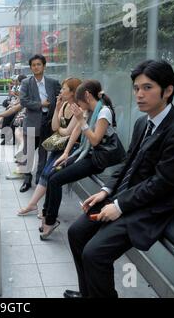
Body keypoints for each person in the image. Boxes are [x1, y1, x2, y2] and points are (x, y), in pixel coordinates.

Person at [65, 60, 174, 298]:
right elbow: (129, 163)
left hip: (152, 207)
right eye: (136, 88)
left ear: (168, 91)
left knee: (95, 253)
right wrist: (107, 191)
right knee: (76, 233)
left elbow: (162, 183)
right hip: (125, 197)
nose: (139, 94)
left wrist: (118, 205)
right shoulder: (143, 122)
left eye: (147, 88)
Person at [40, 80, 120, 240]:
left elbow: (95, 140)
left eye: (79, 102)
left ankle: (50, 221)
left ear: (87, 96)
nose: (78, 105)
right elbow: (77, 130)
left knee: (56, 180)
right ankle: (45, 214)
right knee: (51, 174)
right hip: (85, 154)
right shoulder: (90, 110)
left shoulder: (104, 112)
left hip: (96, 159)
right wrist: (66, 153)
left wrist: (81, 120)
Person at [17, 77, 82, 216]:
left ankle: (45, 208)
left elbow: (69, 132)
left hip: (72, 148)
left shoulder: (78, 109)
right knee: (46, 173)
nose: (61, 91)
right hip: (59, 145)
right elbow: (54, 127)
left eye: (64, 89)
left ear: (72, 92)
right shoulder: (63, 105)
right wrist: (58, 109)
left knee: (51, 176)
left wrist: (60, 130)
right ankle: (33, 205)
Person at [19, 54, 61, 192]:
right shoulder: (26, 83)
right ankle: (27, 179)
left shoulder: (53, 82)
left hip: (47, 121)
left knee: (43, 152)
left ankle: (40, 179)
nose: (36, 67)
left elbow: (60, 97)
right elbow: (23, 101)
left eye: (38, 64)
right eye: (33, 65)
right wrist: (40, 104)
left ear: (44, 66)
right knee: (28, 152)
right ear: (31, 67)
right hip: (32, 121)